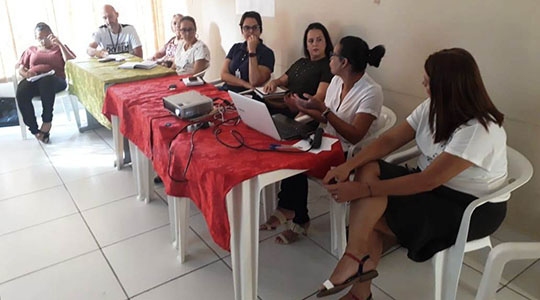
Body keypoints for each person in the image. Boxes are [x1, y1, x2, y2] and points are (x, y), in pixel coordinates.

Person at [317, 48, 507, 300]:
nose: (422, 84)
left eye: (429, 82)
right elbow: (389, 140)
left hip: (466, 207)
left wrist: (363, 189)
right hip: (430, 185)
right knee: (368, 169)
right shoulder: (432, 106)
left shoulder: (478, 130)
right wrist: (347, 166)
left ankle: (357, 279)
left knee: (369, 210)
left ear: (449, 88)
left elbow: (427, 181)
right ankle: (356, 259)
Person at [260, 36, 386, 245]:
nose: (329, 58)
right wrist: (302, 107)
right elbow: (327, 119)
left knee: (299, 161)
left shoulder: (371, 92)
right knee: (289, 149)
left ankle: (298, 218)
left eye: (333, 55)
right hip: (328, 140)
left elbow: (355, 135)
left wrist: (323, 110)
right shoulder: (337, 81)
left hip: (351, 153)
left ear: (344, 62)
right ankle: (289, 208)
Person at [16, 22, 76, 143]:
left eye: (46, 37)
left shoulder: (59, 47)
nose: (43, 41)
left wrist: (59, 44)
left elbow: (72, 61)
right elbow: (20, 68)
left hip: (55, 81)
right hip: (34, 80)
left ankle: (47, 122)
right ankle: (34, 129)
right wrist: (27, 74)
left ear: (51, 35)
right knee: (21, 90)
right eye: (39, 38)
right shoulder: (31, 50)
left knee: (46, 80)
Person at [262, 22, 333, 117]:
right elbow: (281, 80)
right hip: (282, 103)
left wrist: (301, 111)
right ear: (306, 46)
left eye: (319, 40)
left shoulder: (328, 66)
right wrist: (273, 83)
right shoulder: (301, 62)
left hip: (299, 111)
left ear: (326, 42)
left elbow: (319, 97)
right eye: (311, 41)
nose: (315, 44)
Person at [220, 11, 274, 92]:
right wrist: (244, 84)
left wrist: (252, 51)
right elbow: (223, 75)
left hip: (247, 95)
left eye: (255, 27)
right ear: (242, 31)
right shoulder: (236, 47)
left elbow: (254, 81)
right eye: (246, 28)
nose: (251, 31)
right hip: (227, 90)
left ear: (260, 30)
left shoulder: (267, 53)